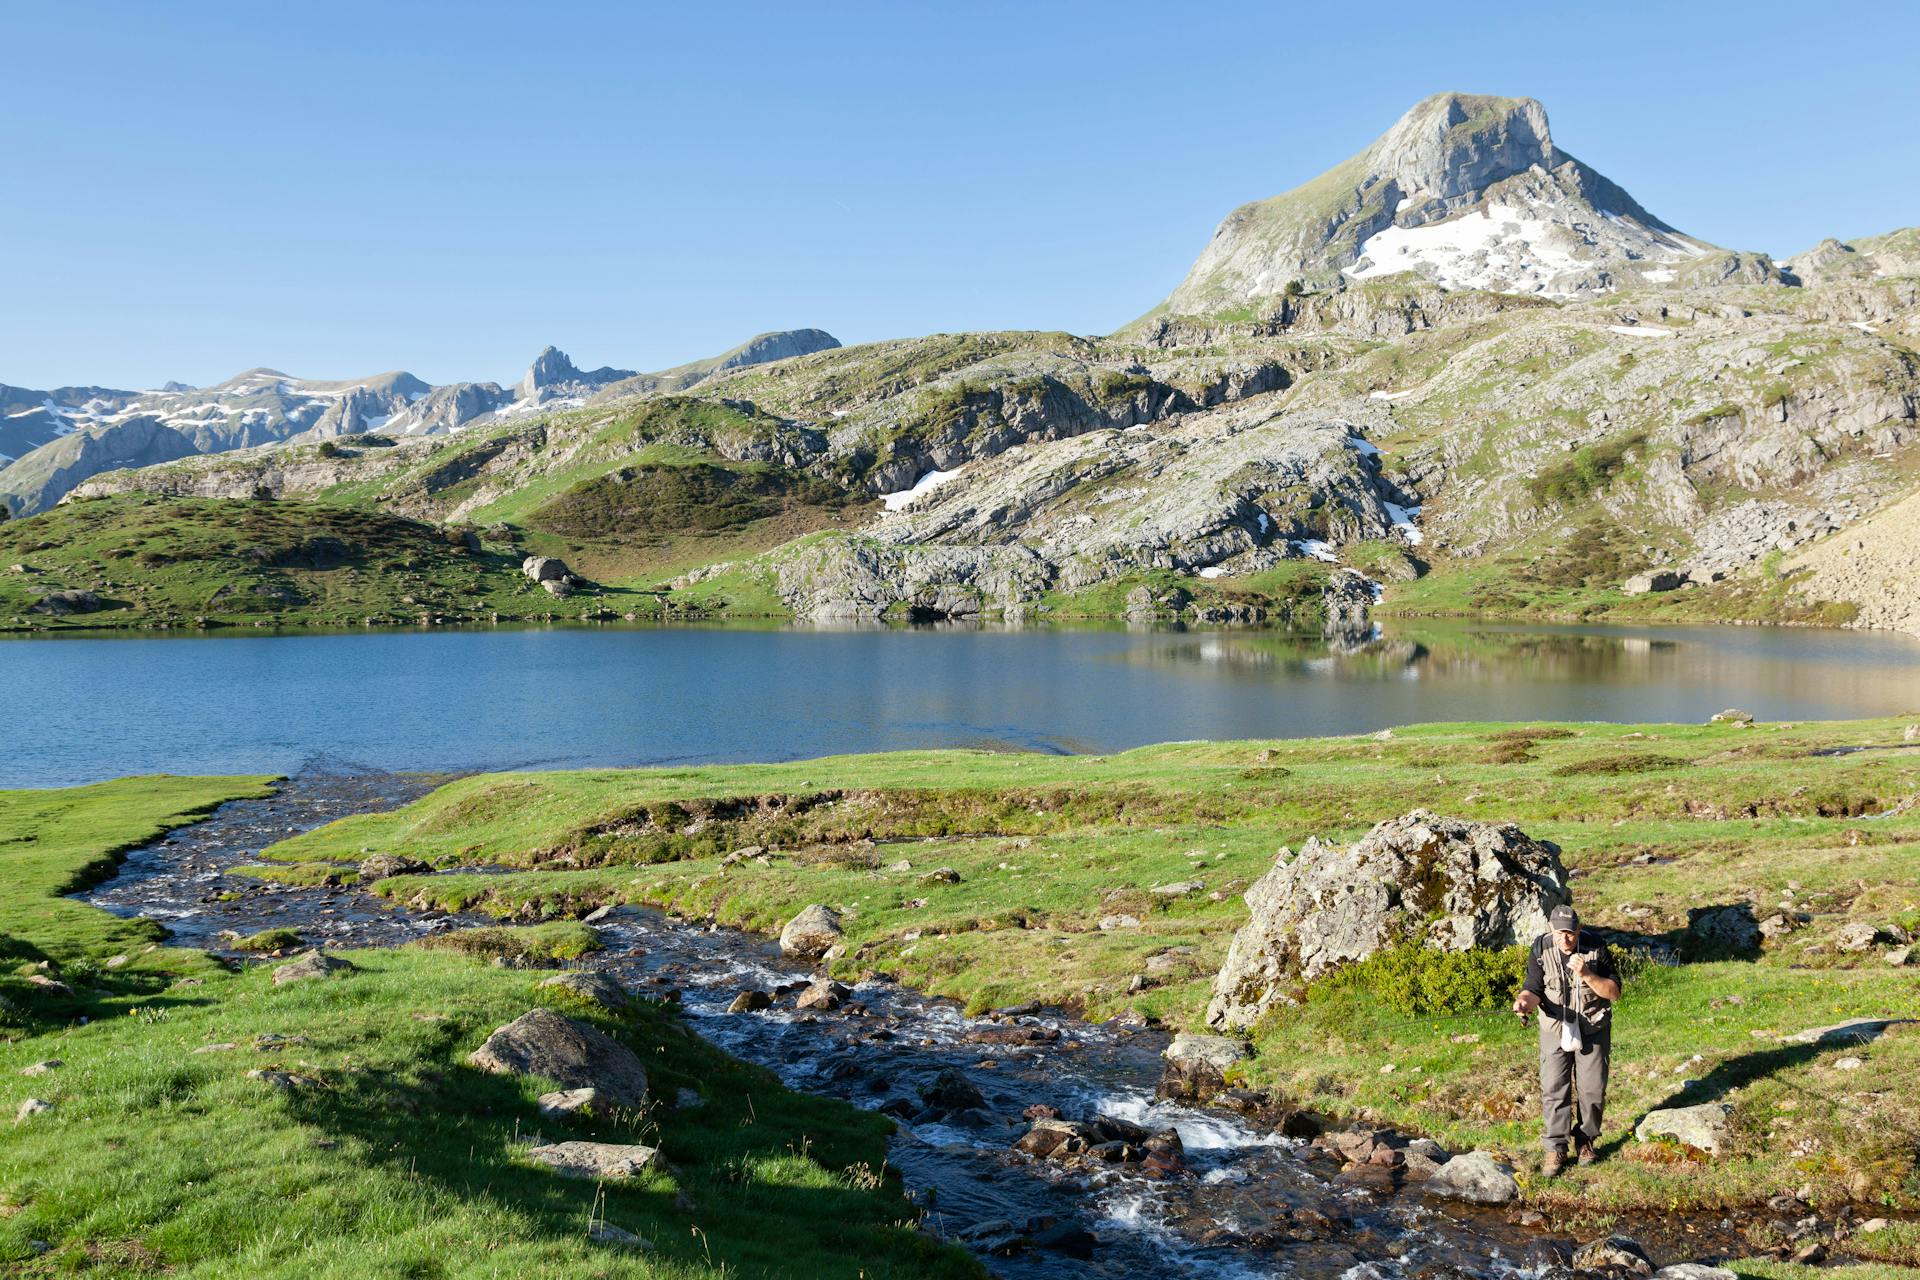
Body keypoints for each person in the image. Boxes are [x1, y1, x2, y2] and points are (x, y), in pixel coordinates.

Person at [1512, 904, 1622, 1176]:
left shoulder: (1596, 946)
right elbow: (1533, 988)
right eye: (1560, 933)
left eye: (1571, 933)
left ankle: (1586, 1142)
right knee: (1553, 1087)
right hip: (1555, 1028)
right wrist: (1524, 1002)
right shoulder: (1541, 948)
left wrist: (1587, 974)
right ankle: (1556, 1148)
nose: (1565, 939)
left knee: (1593, 1089)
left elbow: (1614, 992)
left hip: (1593, 1027)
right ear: (1551, 929)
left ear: (1579, 929)